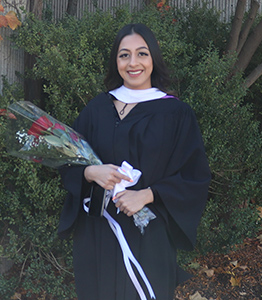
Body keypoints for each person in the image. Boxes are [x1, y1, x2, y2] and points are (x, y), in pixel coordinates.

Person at [57, 23, 211, 299]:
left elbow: (194, 176)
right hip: (98, 232)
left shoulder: (175, 113)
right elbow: (68, 160)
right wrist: (91, 172)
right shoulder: (96, 109)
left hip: (148, 232)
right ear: (115, 61)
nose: (133, 63)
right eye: (124, 55)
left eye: (142, 53)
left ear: (153, 59)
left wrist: (147, 196)